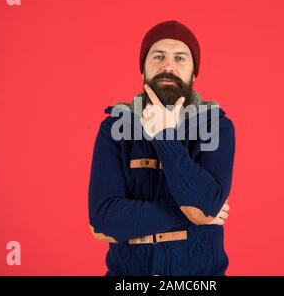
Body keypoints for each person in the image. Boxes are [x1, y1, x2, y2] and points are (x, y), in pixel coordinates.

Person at [88, 20, 235, 276]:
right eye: (158, 57)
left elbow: (204, 205)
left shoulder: (217, 126)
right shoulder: (114, 127)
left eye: (180, 58)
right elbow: (105, 220)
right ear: (143, 69)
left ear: (194, 72)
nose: (168, 66)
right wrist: (196, 214)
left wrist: (164, 136)